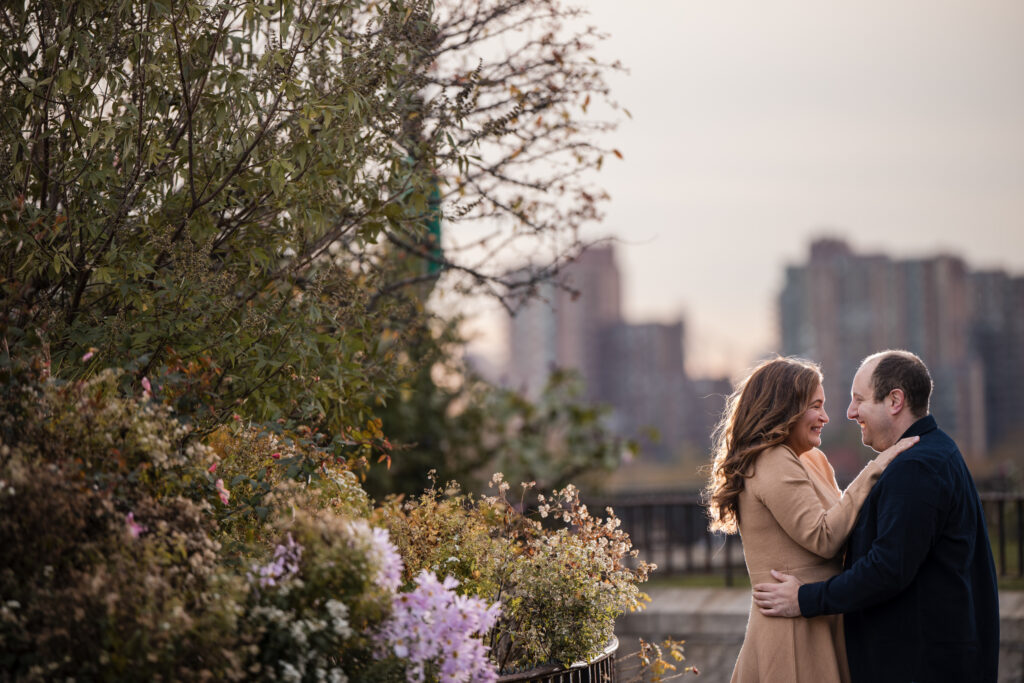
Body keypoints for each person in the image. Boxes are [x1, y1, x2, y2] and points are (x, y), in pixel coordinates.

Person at [752, 350, 1000, 683]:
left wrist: (805, 598)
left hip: (919, 666)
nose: (850, 412)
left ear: (895, 400)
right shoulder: (936, 451)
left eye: (859, 400)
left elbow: (887, 569)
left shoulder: (916, 467)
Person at [706, 356, 918, 683]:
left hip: (818, 619)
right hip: (793, 632)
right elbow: (824, 537)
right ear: (785, 407)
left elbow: (844, 522)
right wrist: (876, 468)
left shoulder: (812, 459)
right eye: (816, 406)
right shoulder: (772, 460)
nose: (826, 417)